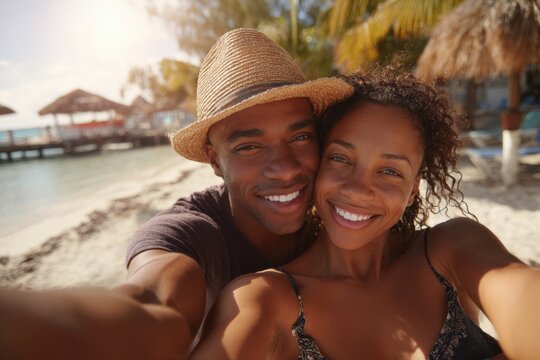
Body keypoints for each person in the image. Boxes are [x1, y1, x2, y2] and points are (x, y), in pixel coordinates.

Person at [0, 28, 353, 359]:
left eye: (300, 137)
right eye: (249, 146)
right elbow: (151, 306)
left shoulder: (340, 216)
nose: (287, 168)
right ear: (215, 161)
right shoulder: (191, 234)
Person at [189, 69, 540, 359]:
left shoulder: (453, 249)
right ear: (318, 162)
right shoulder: (265, 297)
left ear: (413, 187)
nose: (358, 189)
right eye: (341, 159)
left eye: (390, 171)